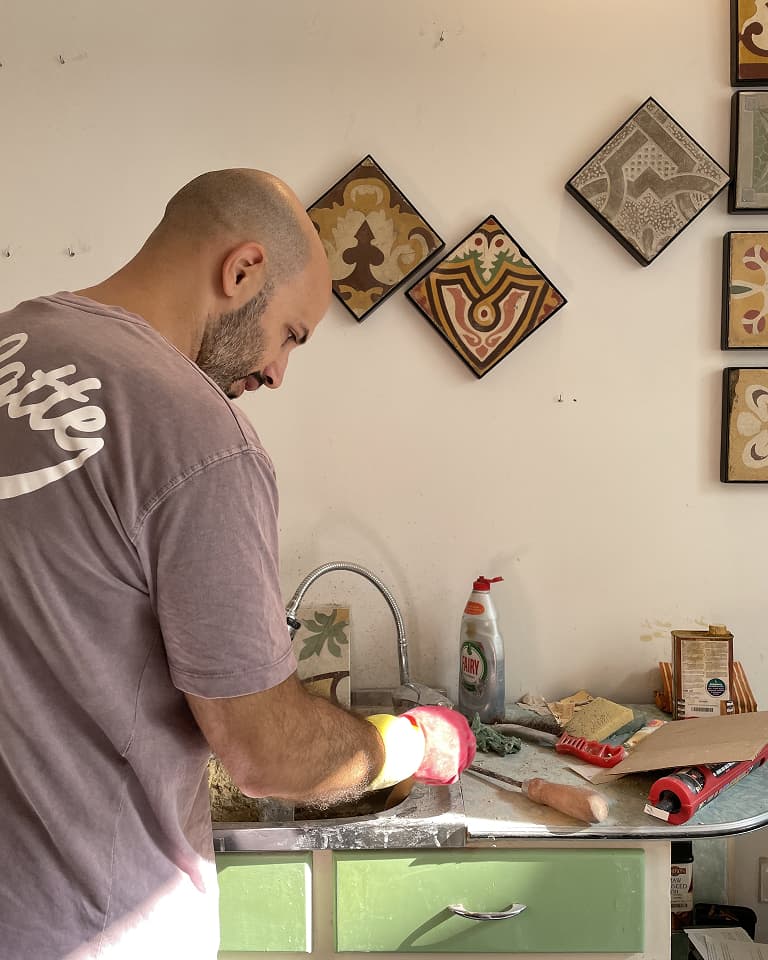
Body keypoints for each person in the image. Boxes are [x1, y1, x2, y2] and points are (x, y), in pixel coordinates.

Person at [0, 169, 475, 959]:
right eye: (292, 334)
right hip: (94, 926)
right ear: (242, 269)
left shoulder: (12, 341)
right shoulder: (197, 436)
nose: (279, 373)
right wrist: (410, 743)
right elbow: (266, 754)